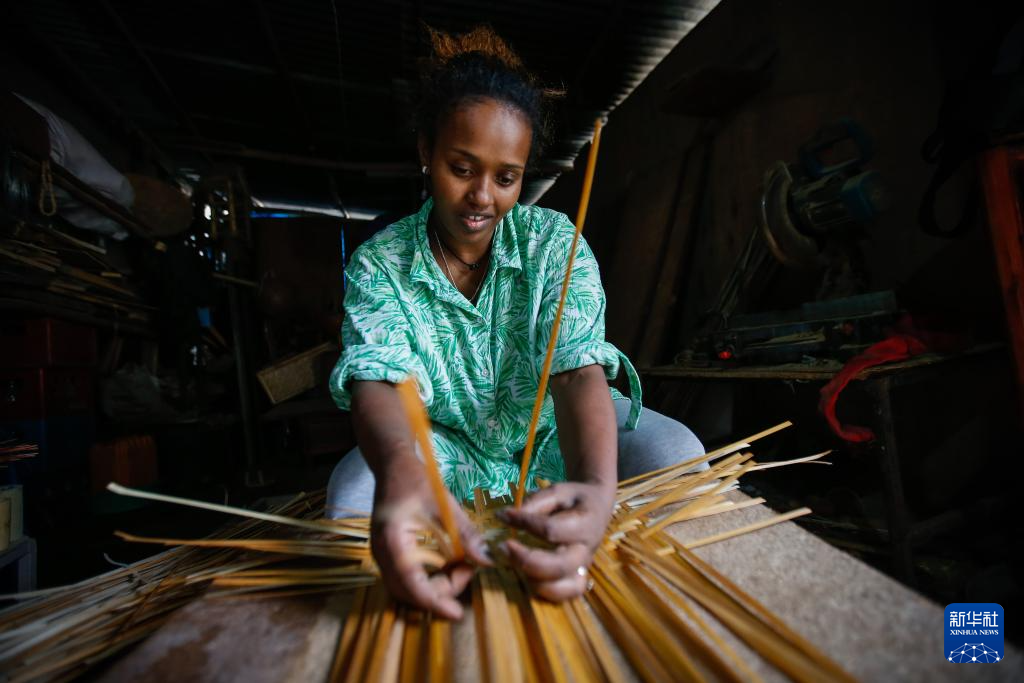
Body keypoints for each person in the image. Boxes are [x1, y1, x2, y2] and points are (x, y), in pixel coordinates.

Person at [326, 26, 704, 619]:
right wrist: (401, 473)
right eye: (461, 167)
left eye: (506, 177)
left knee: (679, 453)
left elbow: (580, 375)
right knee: (352, 496)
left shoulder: (554, 243)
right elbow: (378, 379)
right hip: (441, 444)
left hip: (554, 433)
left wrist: (598, 488)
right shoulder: (380, 262)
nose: (483, 196)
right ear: (426, 151)